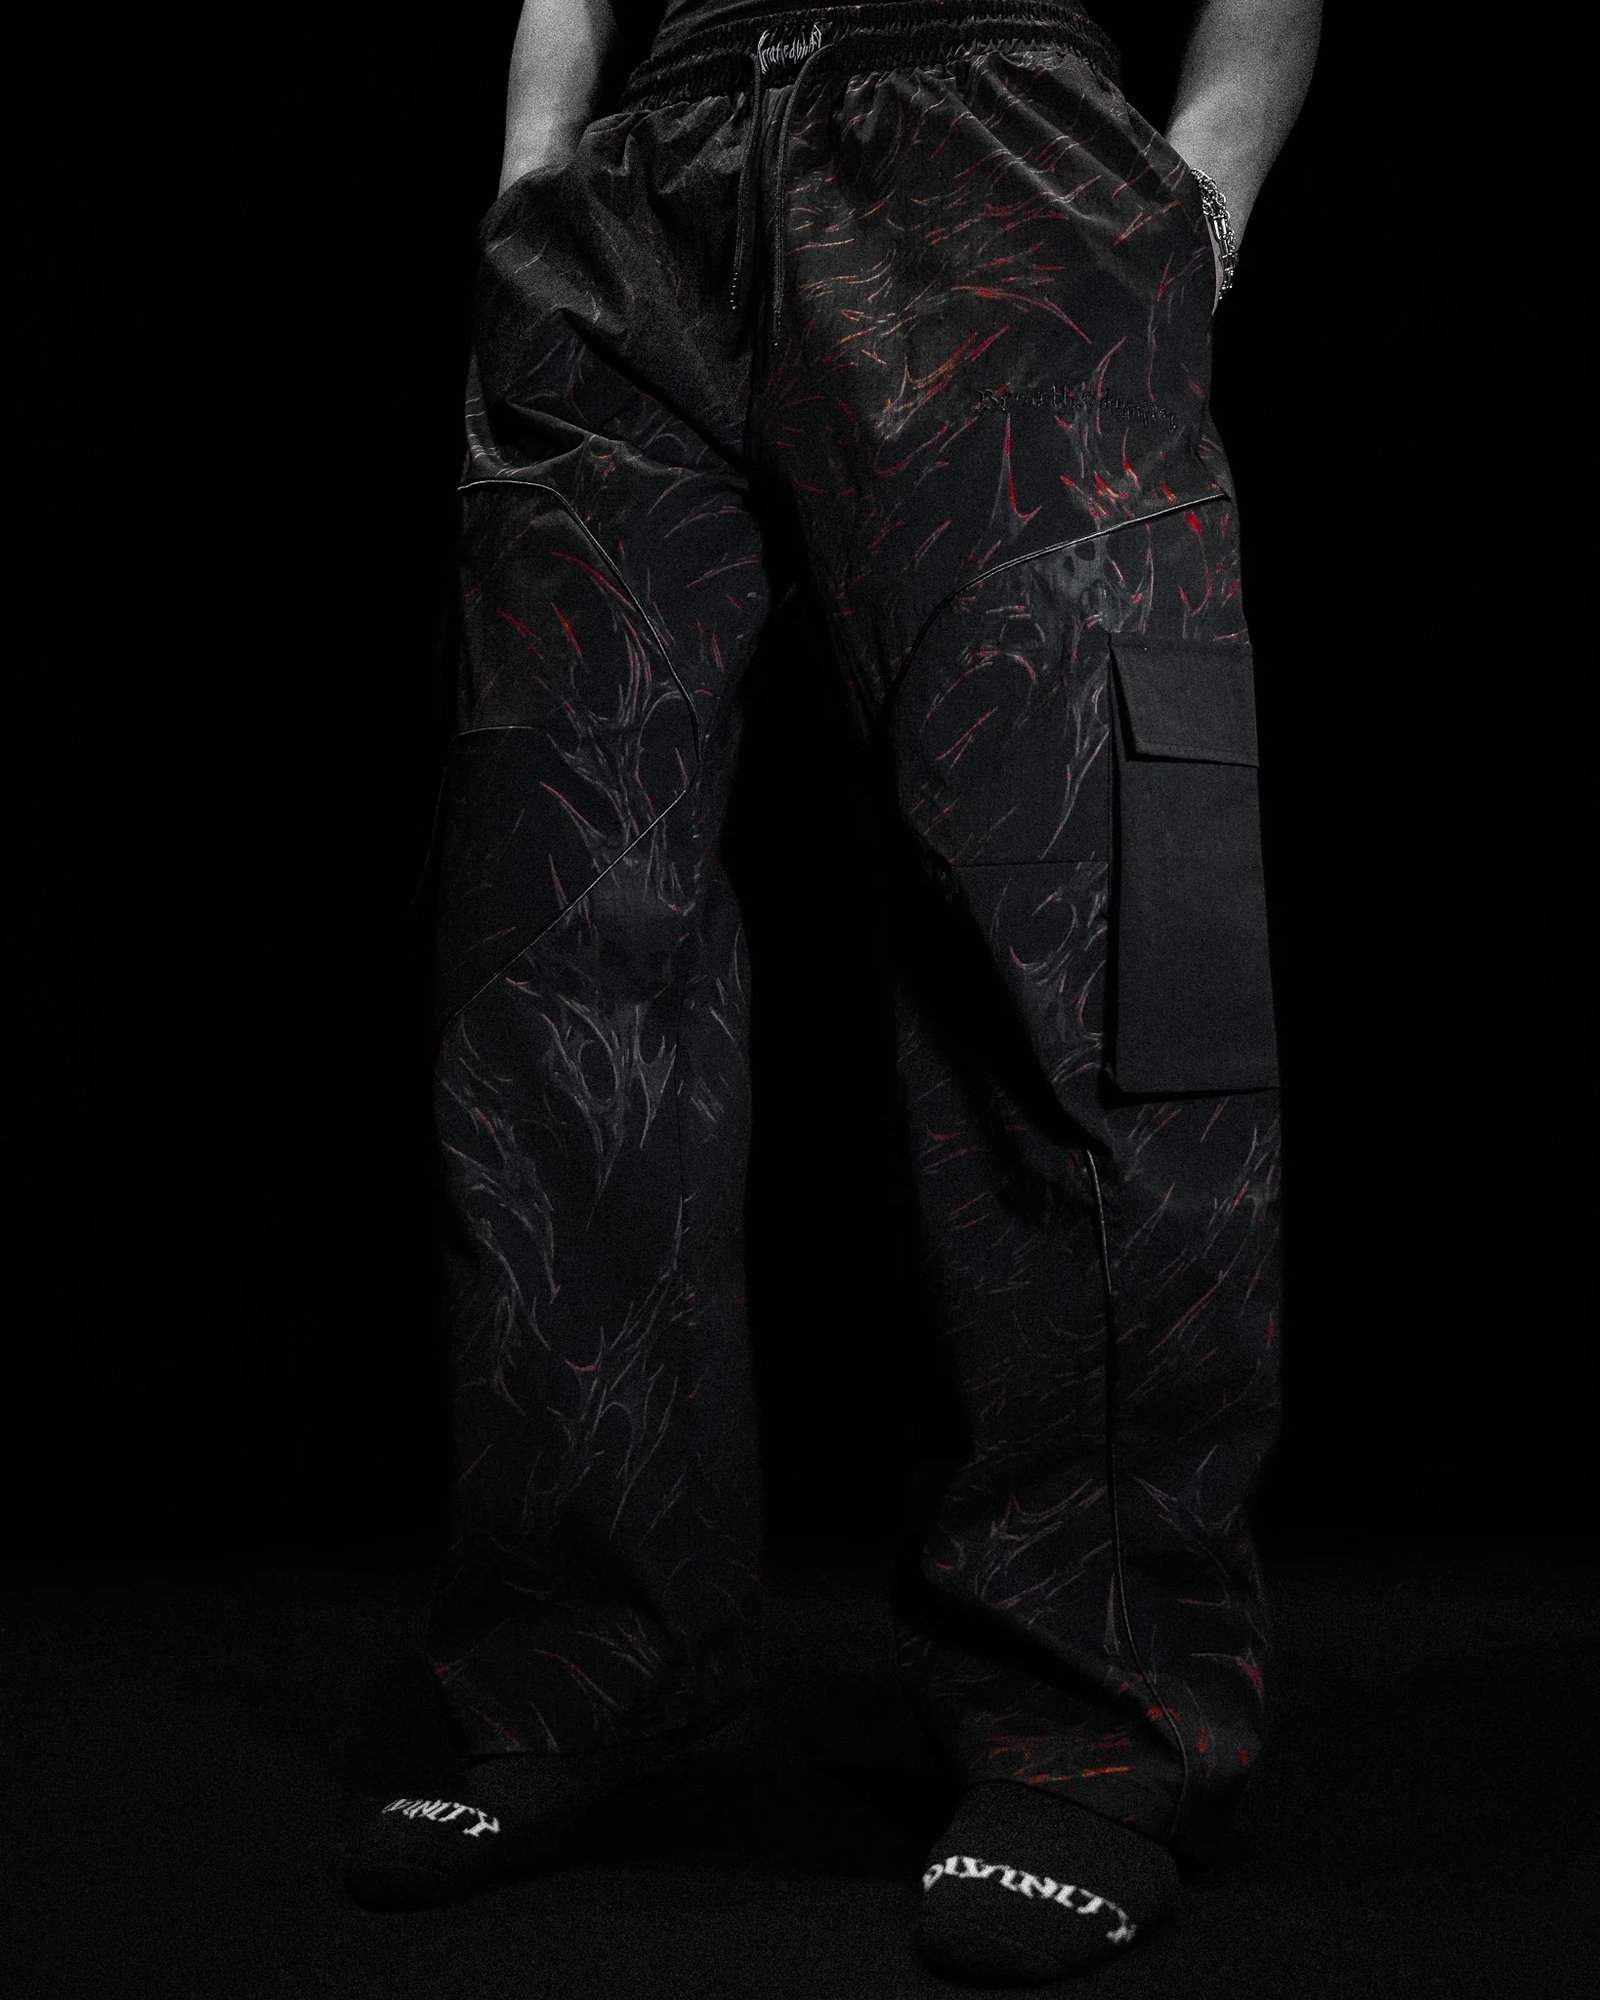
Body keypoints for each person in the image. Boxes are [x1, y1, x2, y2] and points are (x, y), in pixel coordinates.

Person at [342, 0, 1321, 1980]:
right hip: (641, 180)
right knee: (548, 964)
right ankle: (576, 1668)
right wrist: (536, 174)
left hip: (996, 131)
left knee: (1101, 930)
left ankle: (1098, 1717)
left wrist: (1194, 197)